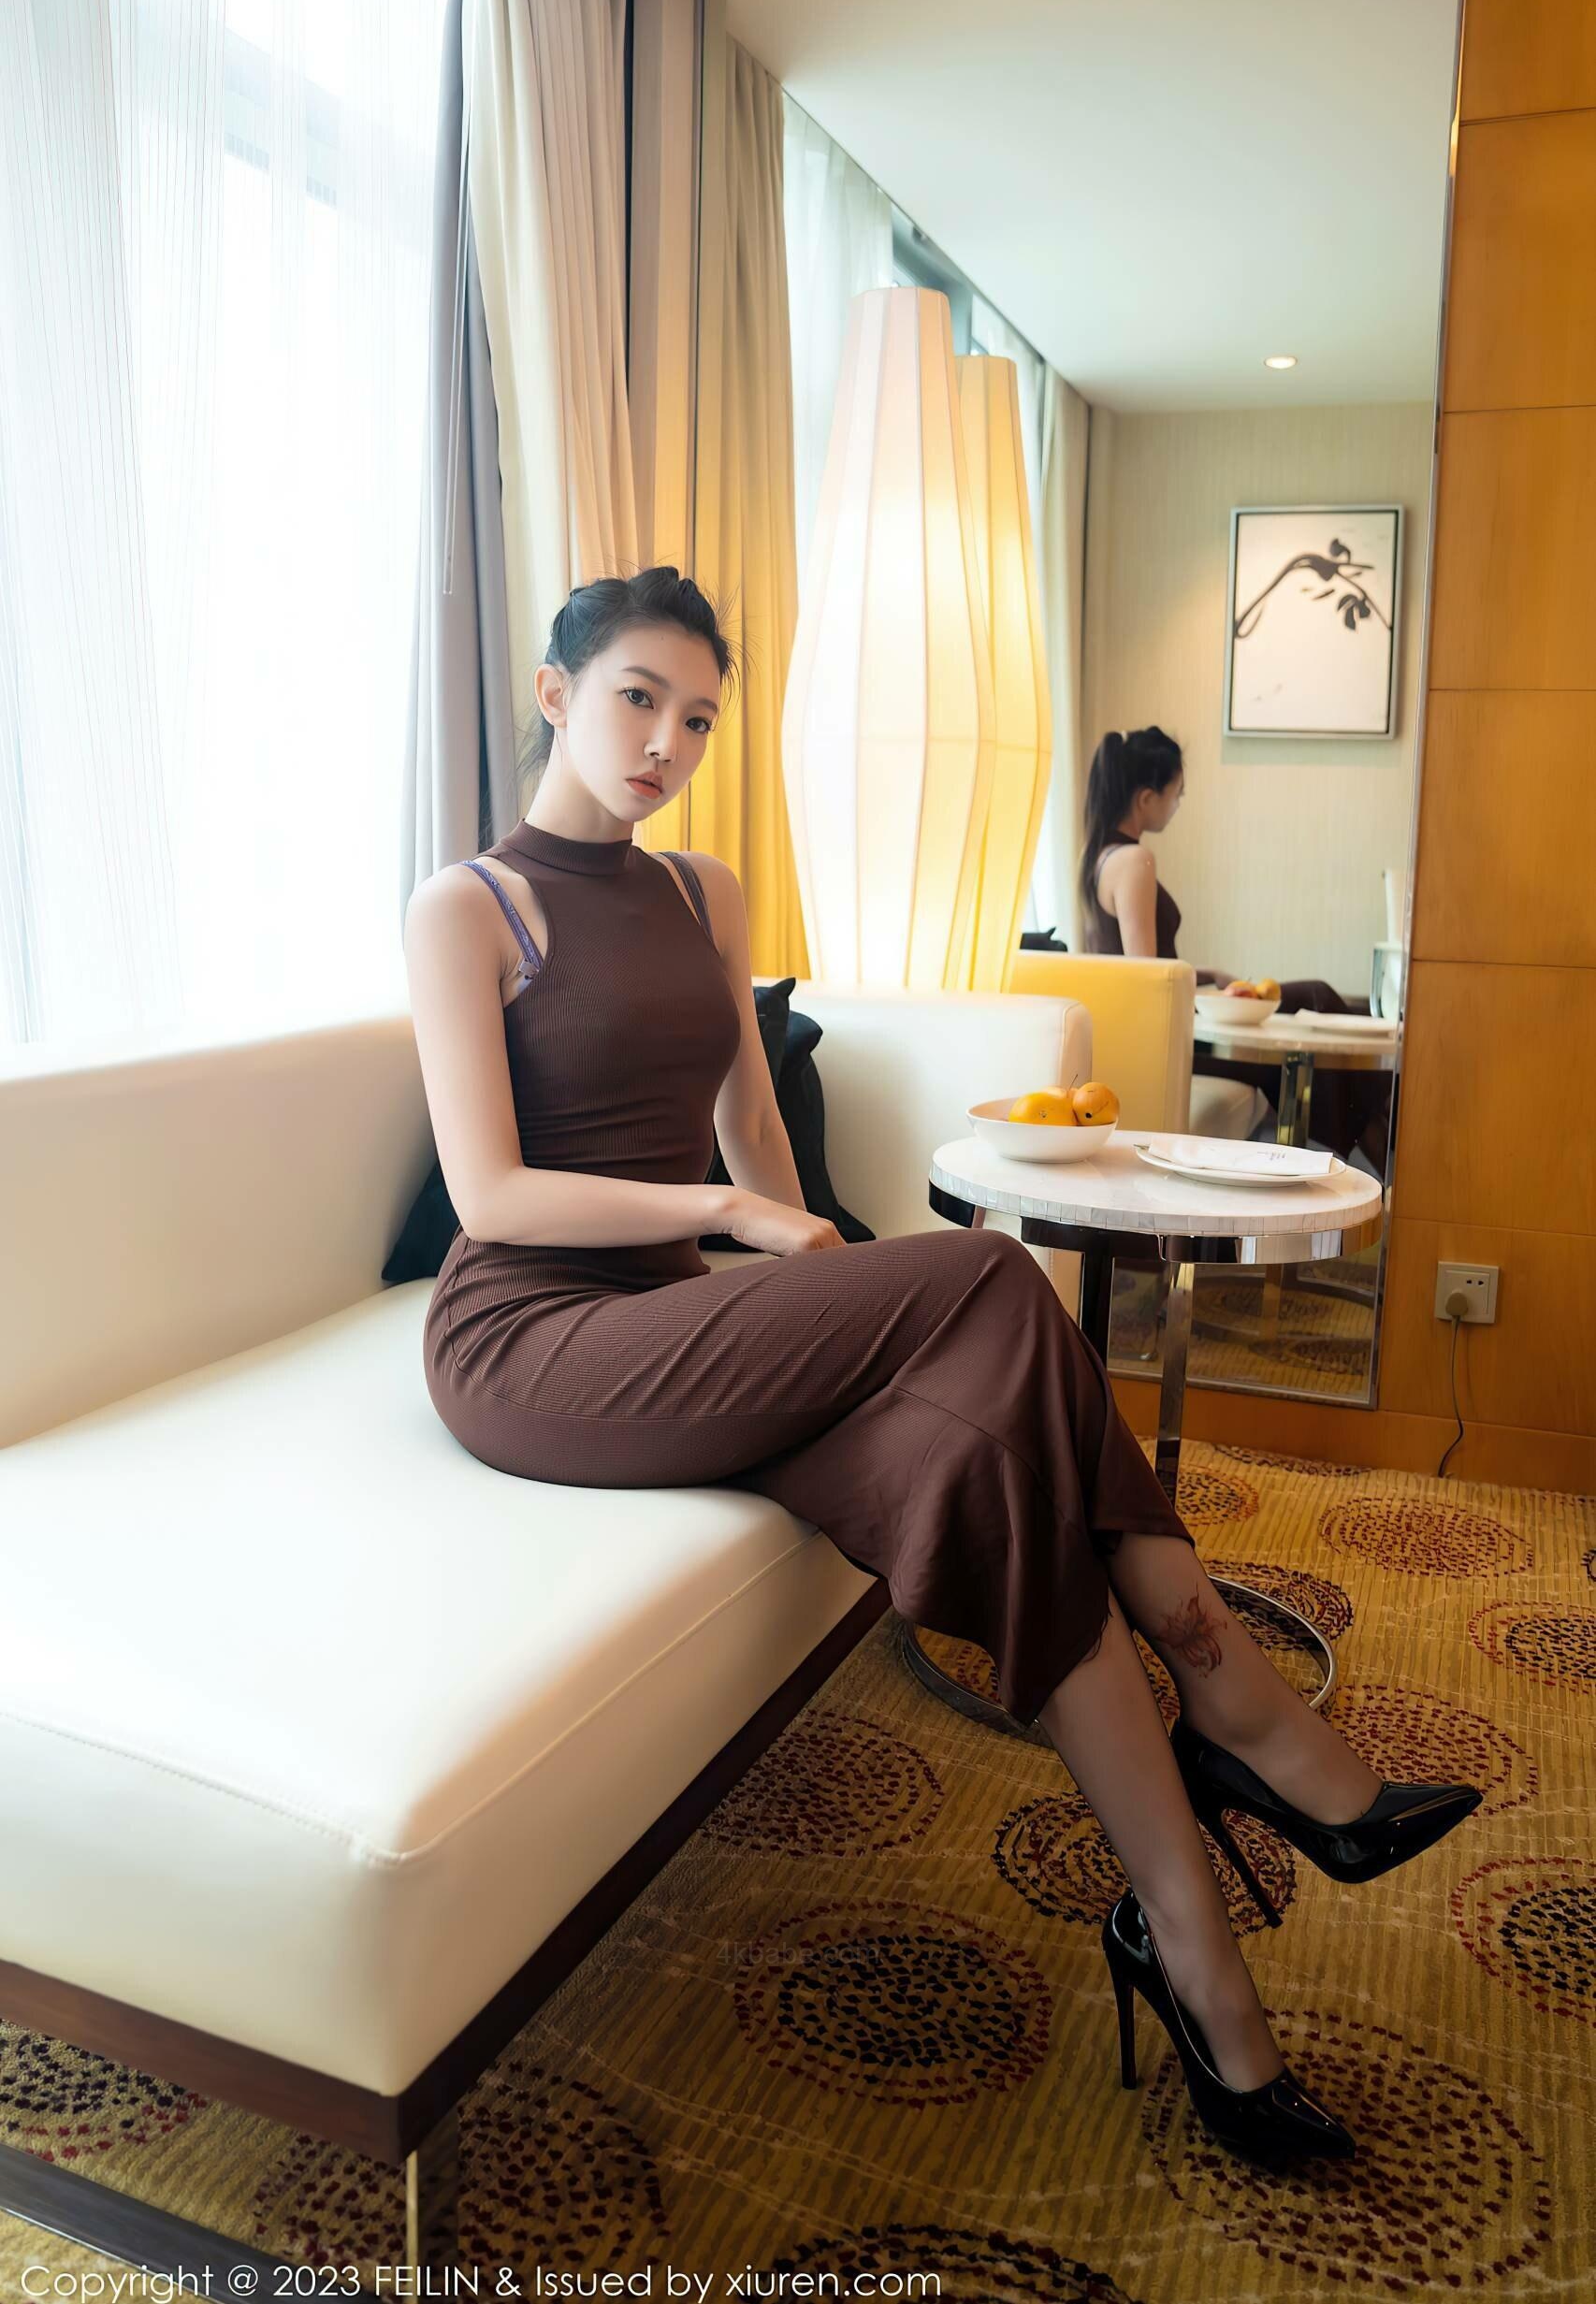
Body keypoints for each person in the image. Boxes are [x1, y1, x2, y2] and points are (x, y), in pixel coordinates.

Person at [404, 567, 1476, 2169]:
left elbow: (752, 1123)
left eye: (697, 716)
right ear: (556, 694)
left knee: (976, 1460)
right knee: (981, 1270)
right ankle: (1235, 1699)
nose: (665, 742)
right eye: (635, 698)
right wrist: (736, 1222)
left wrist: (814, 1268)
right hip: (531, 1342)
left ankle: (1189, 1942)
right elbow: (491, 1196)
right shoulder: (471, 907)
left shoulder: (704, 894)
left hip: (683, 1319)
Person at [1079, 728, 1388, 1167]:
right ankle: (1382, 1141)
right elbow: (1149, 979)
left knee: (1308, 1021)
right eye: (1176, 795)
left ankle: (1374, 1143)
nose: (1177, 805)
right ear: (1146, 798)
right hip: (1172, 1042)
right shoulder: (1135, 861)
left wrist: (1212, 977)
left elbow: (1145, 965)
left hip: (1168, 1029)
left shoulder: (1097, 857)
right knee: (1314, 999)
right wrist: (1211, 990)